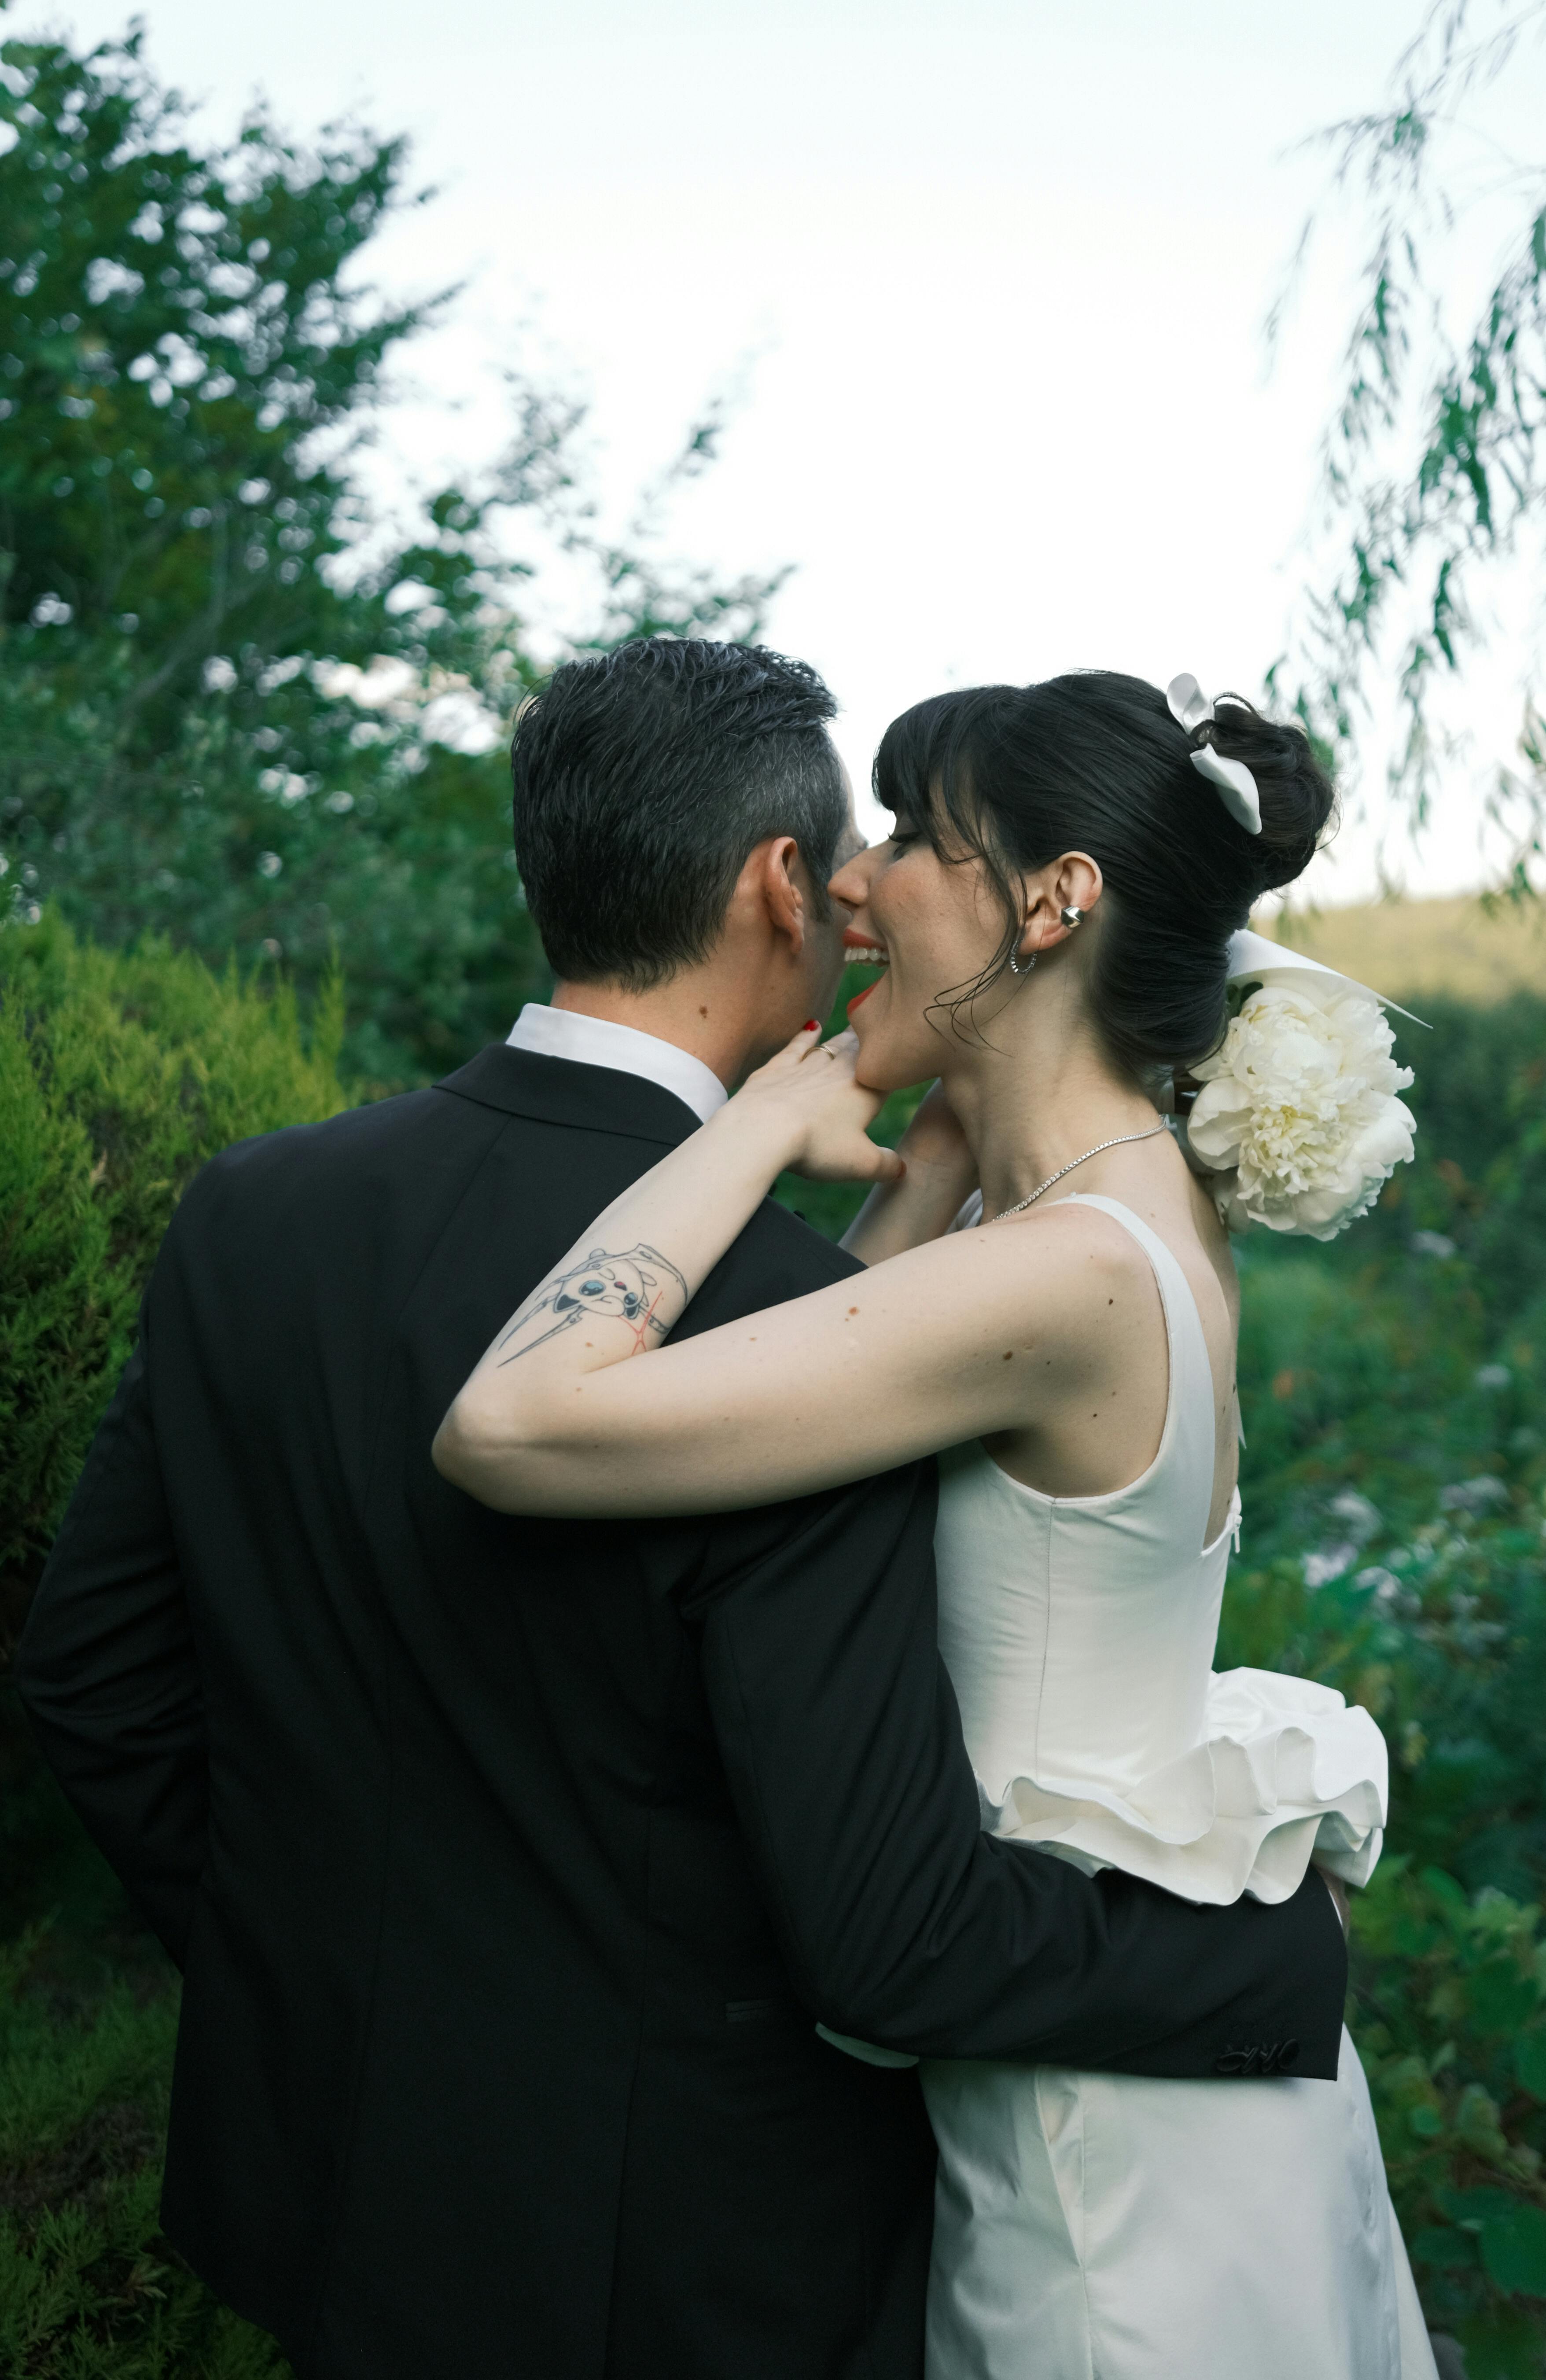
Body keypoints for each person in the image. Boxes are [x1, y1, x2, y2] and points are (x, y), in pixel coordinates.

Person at [18, 643, 1348, 2380]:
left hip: (326, 2190)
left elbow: (96, 1679)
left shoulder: (255, 1211)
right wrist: (1284, 1973)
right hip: (693, 2250)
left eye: (916, 838)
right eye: (857, 844)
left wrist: (312, 1976)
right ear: (779, 885)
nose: (870, 885)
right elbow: (877, 1920)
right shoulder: (834, 1311)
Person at [434, 666, 1436, 2380]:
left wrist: (757, 1118)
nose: (848, 880)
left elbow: (514, 1420)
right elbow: (817, 1426)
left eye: (907, 837)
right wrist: (932, 1150)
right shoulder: (1126, 1213)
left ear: (1052, 901)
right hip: (1122, 2079)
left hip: (1096, 2175)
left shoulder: (1055, 1277)